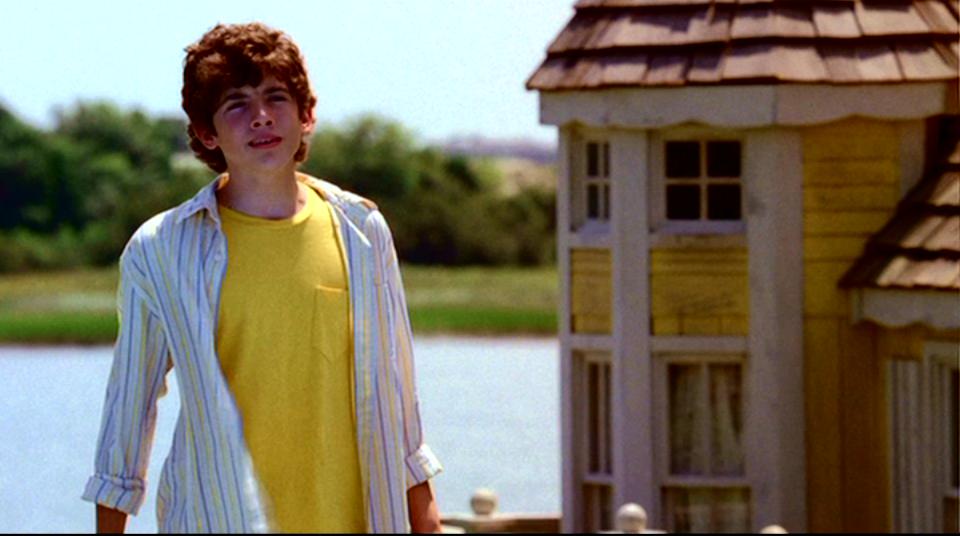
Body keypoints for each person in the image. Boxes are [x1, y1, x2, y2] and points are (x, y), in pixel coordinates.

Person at [82, 22, 442, 533]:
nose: (262, 117)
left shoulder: (363, 232)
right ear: (206, 132)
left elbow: (398, 396)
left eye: (276, 97)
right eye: (237, 104)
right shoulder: (159, 249)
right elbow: (128, 412)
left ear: (306, 114)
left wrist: (427, 522)